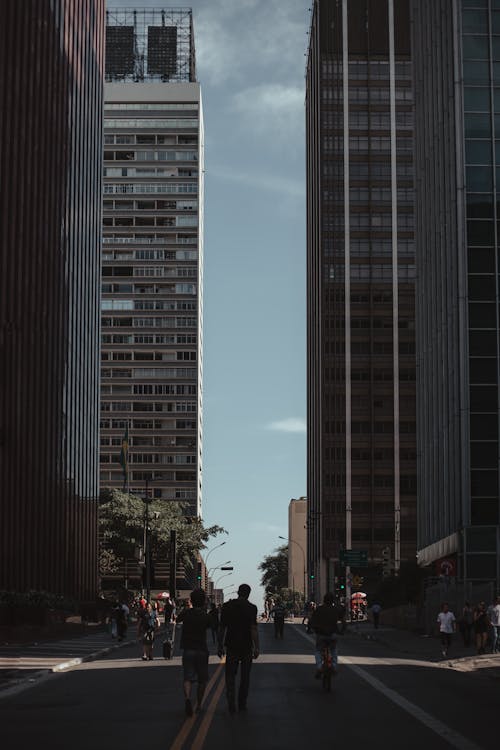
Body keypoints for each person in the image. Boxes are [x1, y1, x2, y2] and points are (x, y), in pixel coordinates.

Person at [218, 583, 259, 714]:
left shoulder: (227, 606)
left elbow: (222, 628)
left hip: (231, 645)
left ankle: (231, 699)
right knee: (245, 676)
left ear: (238, 592)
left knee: (230, 675)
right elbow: (253, 629)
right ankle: (242, 702)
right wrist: (257, 647)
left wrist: (220, 645)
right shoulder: (252, 608)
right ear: (248, 594)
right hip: (246, 646)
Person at [176, 588, 212, 717]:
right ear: (203, 602)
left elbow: (177, 619)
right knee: (202, 680)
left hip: (188, 649)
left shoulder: (186, 613)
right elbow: (210, 626)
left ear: (192, 600)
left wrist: (186, 608)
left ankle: (187, 699)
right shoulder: (206, 615)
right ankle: (200, 704)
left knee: (187, 677)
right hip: (201, 650)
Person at [309, 592, 345, 678]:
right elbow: (343, 621)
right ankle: (334, 667)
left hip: (321, 635)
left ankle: (319, 667)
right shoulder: (336, 609)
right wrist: (342, 631)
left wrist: (310, 629)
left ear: (324, 600)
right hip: (333, 634)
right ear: (333, 600)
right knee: (334, 650)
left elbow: (311, 621)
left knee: (318, 651)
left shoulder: (319, 609)